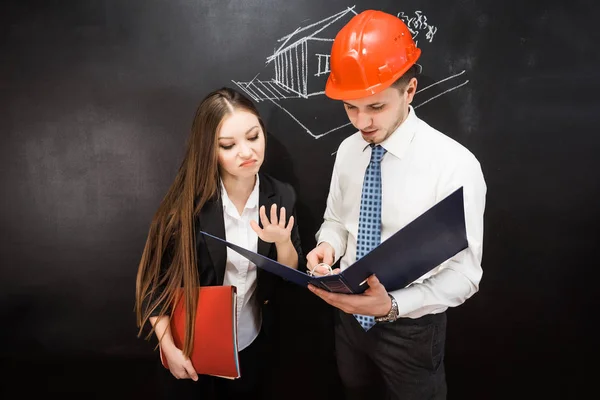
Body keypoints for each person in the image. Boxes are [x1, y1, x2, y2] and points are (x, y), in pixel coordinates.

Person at [305, 10, 487, 400]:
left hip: (411, 330)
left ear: (410, 91)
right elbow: (336, 219)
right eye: (351, 108)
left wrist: (392, 306)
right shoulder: (348, 150)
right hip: (347, 321)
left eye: (375, 107)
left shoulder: (455, 166)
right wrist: (328, 246)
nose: (361, 123)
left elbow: (466, 275)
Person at [134, 87, 303, 400]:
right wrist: (168, 348)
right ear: (209, 150)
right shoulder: (185, 207)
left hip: (252, 343)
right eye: (228, 145)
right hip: (190, 347)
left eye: (253, 137)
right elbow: (154, 286)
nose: (246, 152)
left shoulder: (282, 195)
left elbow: (290, 273)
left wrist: (282, 242)